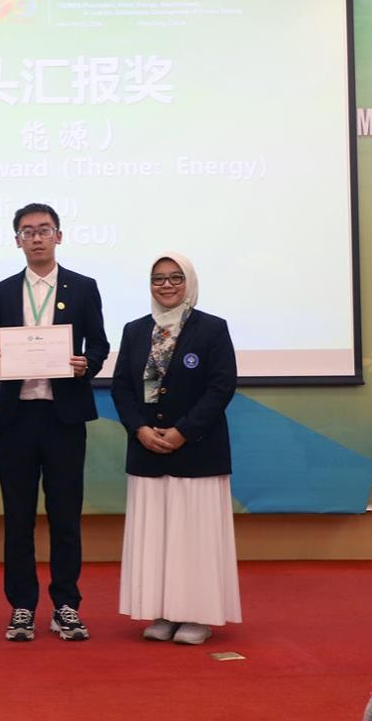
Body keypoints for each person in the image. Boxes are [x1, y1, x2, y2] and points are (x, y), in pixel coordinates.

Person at [0, 202, 110, 642]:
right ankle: (21, 606)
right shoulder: (2, 291)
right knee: (17, 517)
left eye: (44, 230)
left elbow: (99, 345)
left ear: (59, 236)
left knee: (65, 516)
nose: (36, 237)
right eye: (27, 231)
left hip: (64, 418)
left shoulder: (83, 287)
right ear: (16, 239)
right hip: (17, 418)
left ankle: (66, 606)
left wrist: (86, 365)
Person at [110, 252, 241, 645]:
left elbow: (221, 387)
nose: (166, 285)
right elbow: (121, 387)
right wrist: (139, 429)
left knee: (194, 537)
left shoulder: (212, 328)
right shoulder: (135, 330)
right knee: (157, 537)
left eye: (175, 277)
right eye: (158, 278)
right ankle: (164, 613)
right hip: (147, 450)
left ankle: (198, 616)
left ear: (190, 282)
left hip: (197, 451)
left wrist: (184, 431)